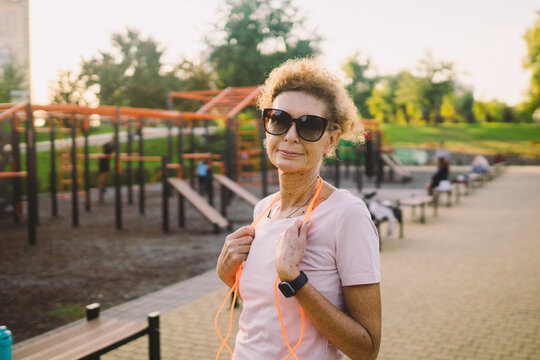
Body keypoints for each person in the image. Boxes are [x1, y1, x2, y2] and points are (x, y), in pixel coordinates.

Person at [216, 58, 381, 360]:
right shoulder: (263, 208)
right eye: (279, 119)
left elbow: (366, 347)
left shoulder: (347, 215)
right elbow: (267, 307)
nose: (290, 135)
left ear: (330, 140)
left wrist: (295, 280)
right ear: (267, 128)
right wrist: (228, 275)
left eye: (308, 125)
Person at [97, 136, 115, 203]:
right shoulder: (109, 144)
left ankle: (101, 187)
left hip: (106, 161)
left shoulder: (112, 144)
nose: (112, 140)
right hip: (103, 160)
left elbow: (110, 151)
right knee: (102, 174)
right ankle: (101, 187)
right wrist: (100, 153)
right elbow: (99, 145)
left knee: (105, 173)